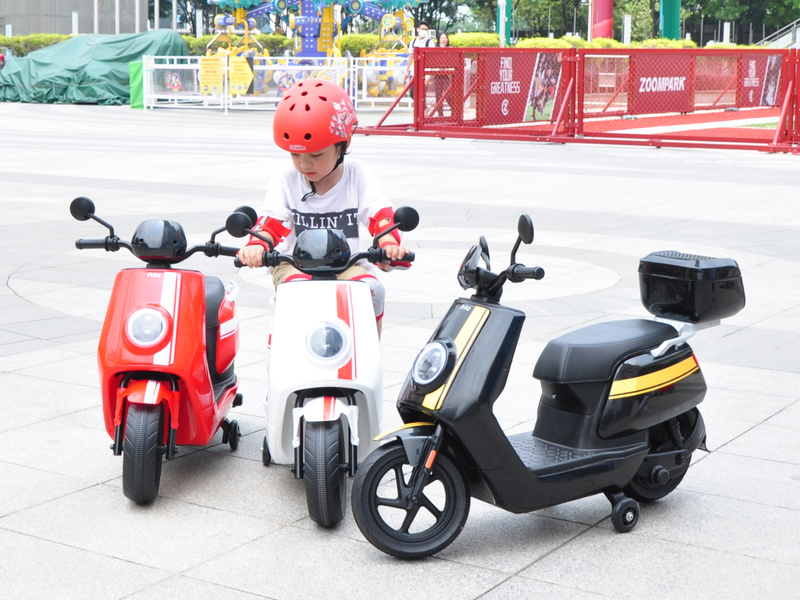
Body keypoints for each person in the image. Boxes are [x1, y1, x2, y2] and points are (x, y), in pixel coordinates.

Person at [237, 78, 411, 333]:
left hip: (346, 264)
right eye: (295, 154)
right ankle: (284, 360)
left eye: (316, 154)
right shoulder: (287, 179)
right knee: (297, 294)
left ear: (344, 144)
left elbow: (379, 214)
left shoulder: (357, 174)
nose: (304, 165)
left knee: (372, 292)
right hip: (292, 263)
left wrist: (389, 244)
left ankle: (365, 358)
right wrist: (256, 245)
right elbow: (272, 223)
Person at [404, 21, 436, 99]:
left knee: (422, 94)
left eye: (426, 30)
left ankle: (423, 109)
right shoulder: (413, 42)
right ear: (417, 29)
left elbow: (433, 58)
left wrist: (431, 75)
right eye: (422, 29)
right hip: (414, 71)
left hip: (425, 72)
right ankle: (420, 109)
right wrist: (407, 70)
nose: (424, 31)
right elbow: (410, 56)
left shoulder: (430, 43)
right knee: (412, 93)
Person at [433, 32, 451, 116]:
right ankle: (440, 114)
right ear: (439, 39)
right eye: (442, 38)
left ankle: (454, 112)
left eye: (445, 38)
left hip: (447, 75)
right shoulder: (435, 49)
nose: (444, 40)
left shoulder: (451, 49)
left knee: (449, 95)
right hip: (437, 74)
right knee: (438, 94)